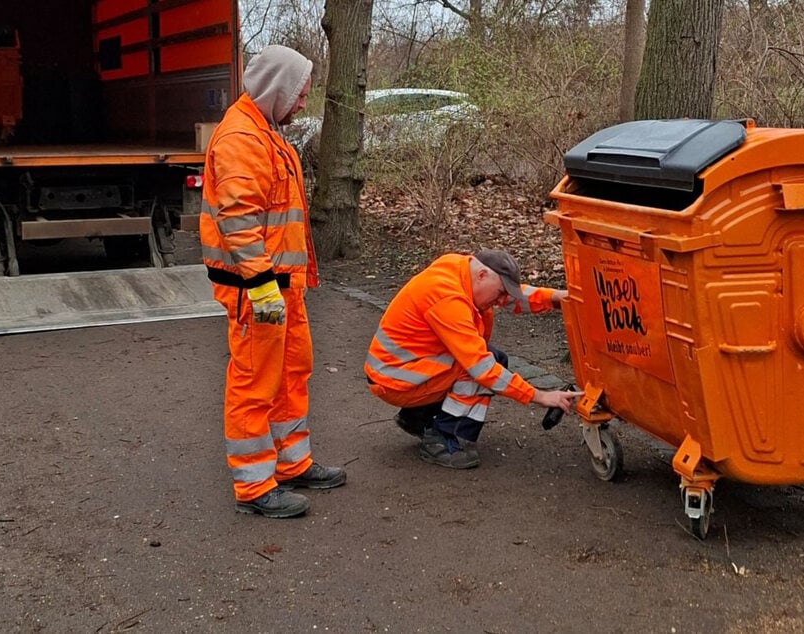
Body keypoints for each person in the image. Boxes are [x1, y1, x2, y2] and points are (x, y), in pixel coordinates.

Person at [199, 45, 346, 519]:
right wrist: (263, 286)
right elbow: (238, 219)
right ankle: (255, 485)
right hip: (257, 288)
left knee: (291, 373)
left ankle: (291, 462)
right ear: (277, 90)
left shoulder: (264, 130)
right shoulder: (242, 137)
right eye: (299, 94)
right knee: (255, 381)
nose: (303, 103)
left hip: (280, 285)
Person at [364, 249, 583, 469]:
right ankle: (444, 439)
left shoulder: (461, 270)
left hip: (400, 371)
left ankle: (418, 418)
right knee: (483, 367)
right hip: (397, 381)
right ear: (482, 275)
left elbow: (512, 297)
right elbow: (481, 368)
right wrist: (540, 396)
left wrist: (555, 298)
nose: (501, 300)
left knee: (486, 360)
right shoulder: (448, 298)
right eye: (499, 293)